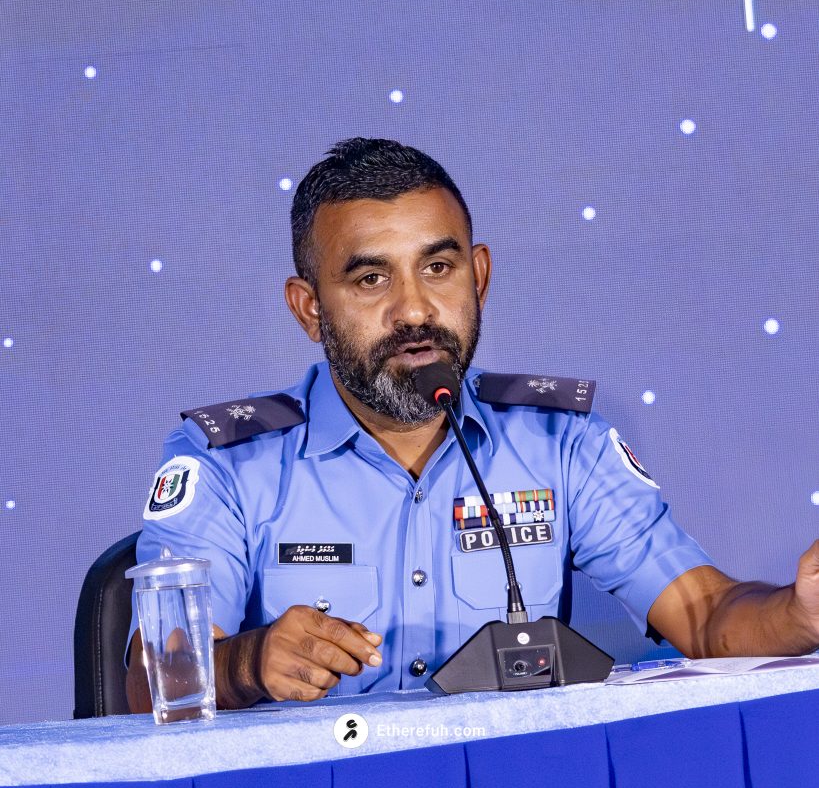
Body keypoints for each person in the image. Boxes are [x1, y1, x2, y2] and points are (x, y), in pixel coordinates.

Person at [126, 138, 819, 712]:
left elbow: (706, 615)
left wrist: (797, 613)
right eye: (370, 280)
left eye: (438, 267)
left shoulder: (559, 444)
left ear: (478, 276)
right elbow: (147, 683)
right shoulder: (228, 462)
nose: (414, 310)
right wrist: (247, 663)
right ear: (309, 308)